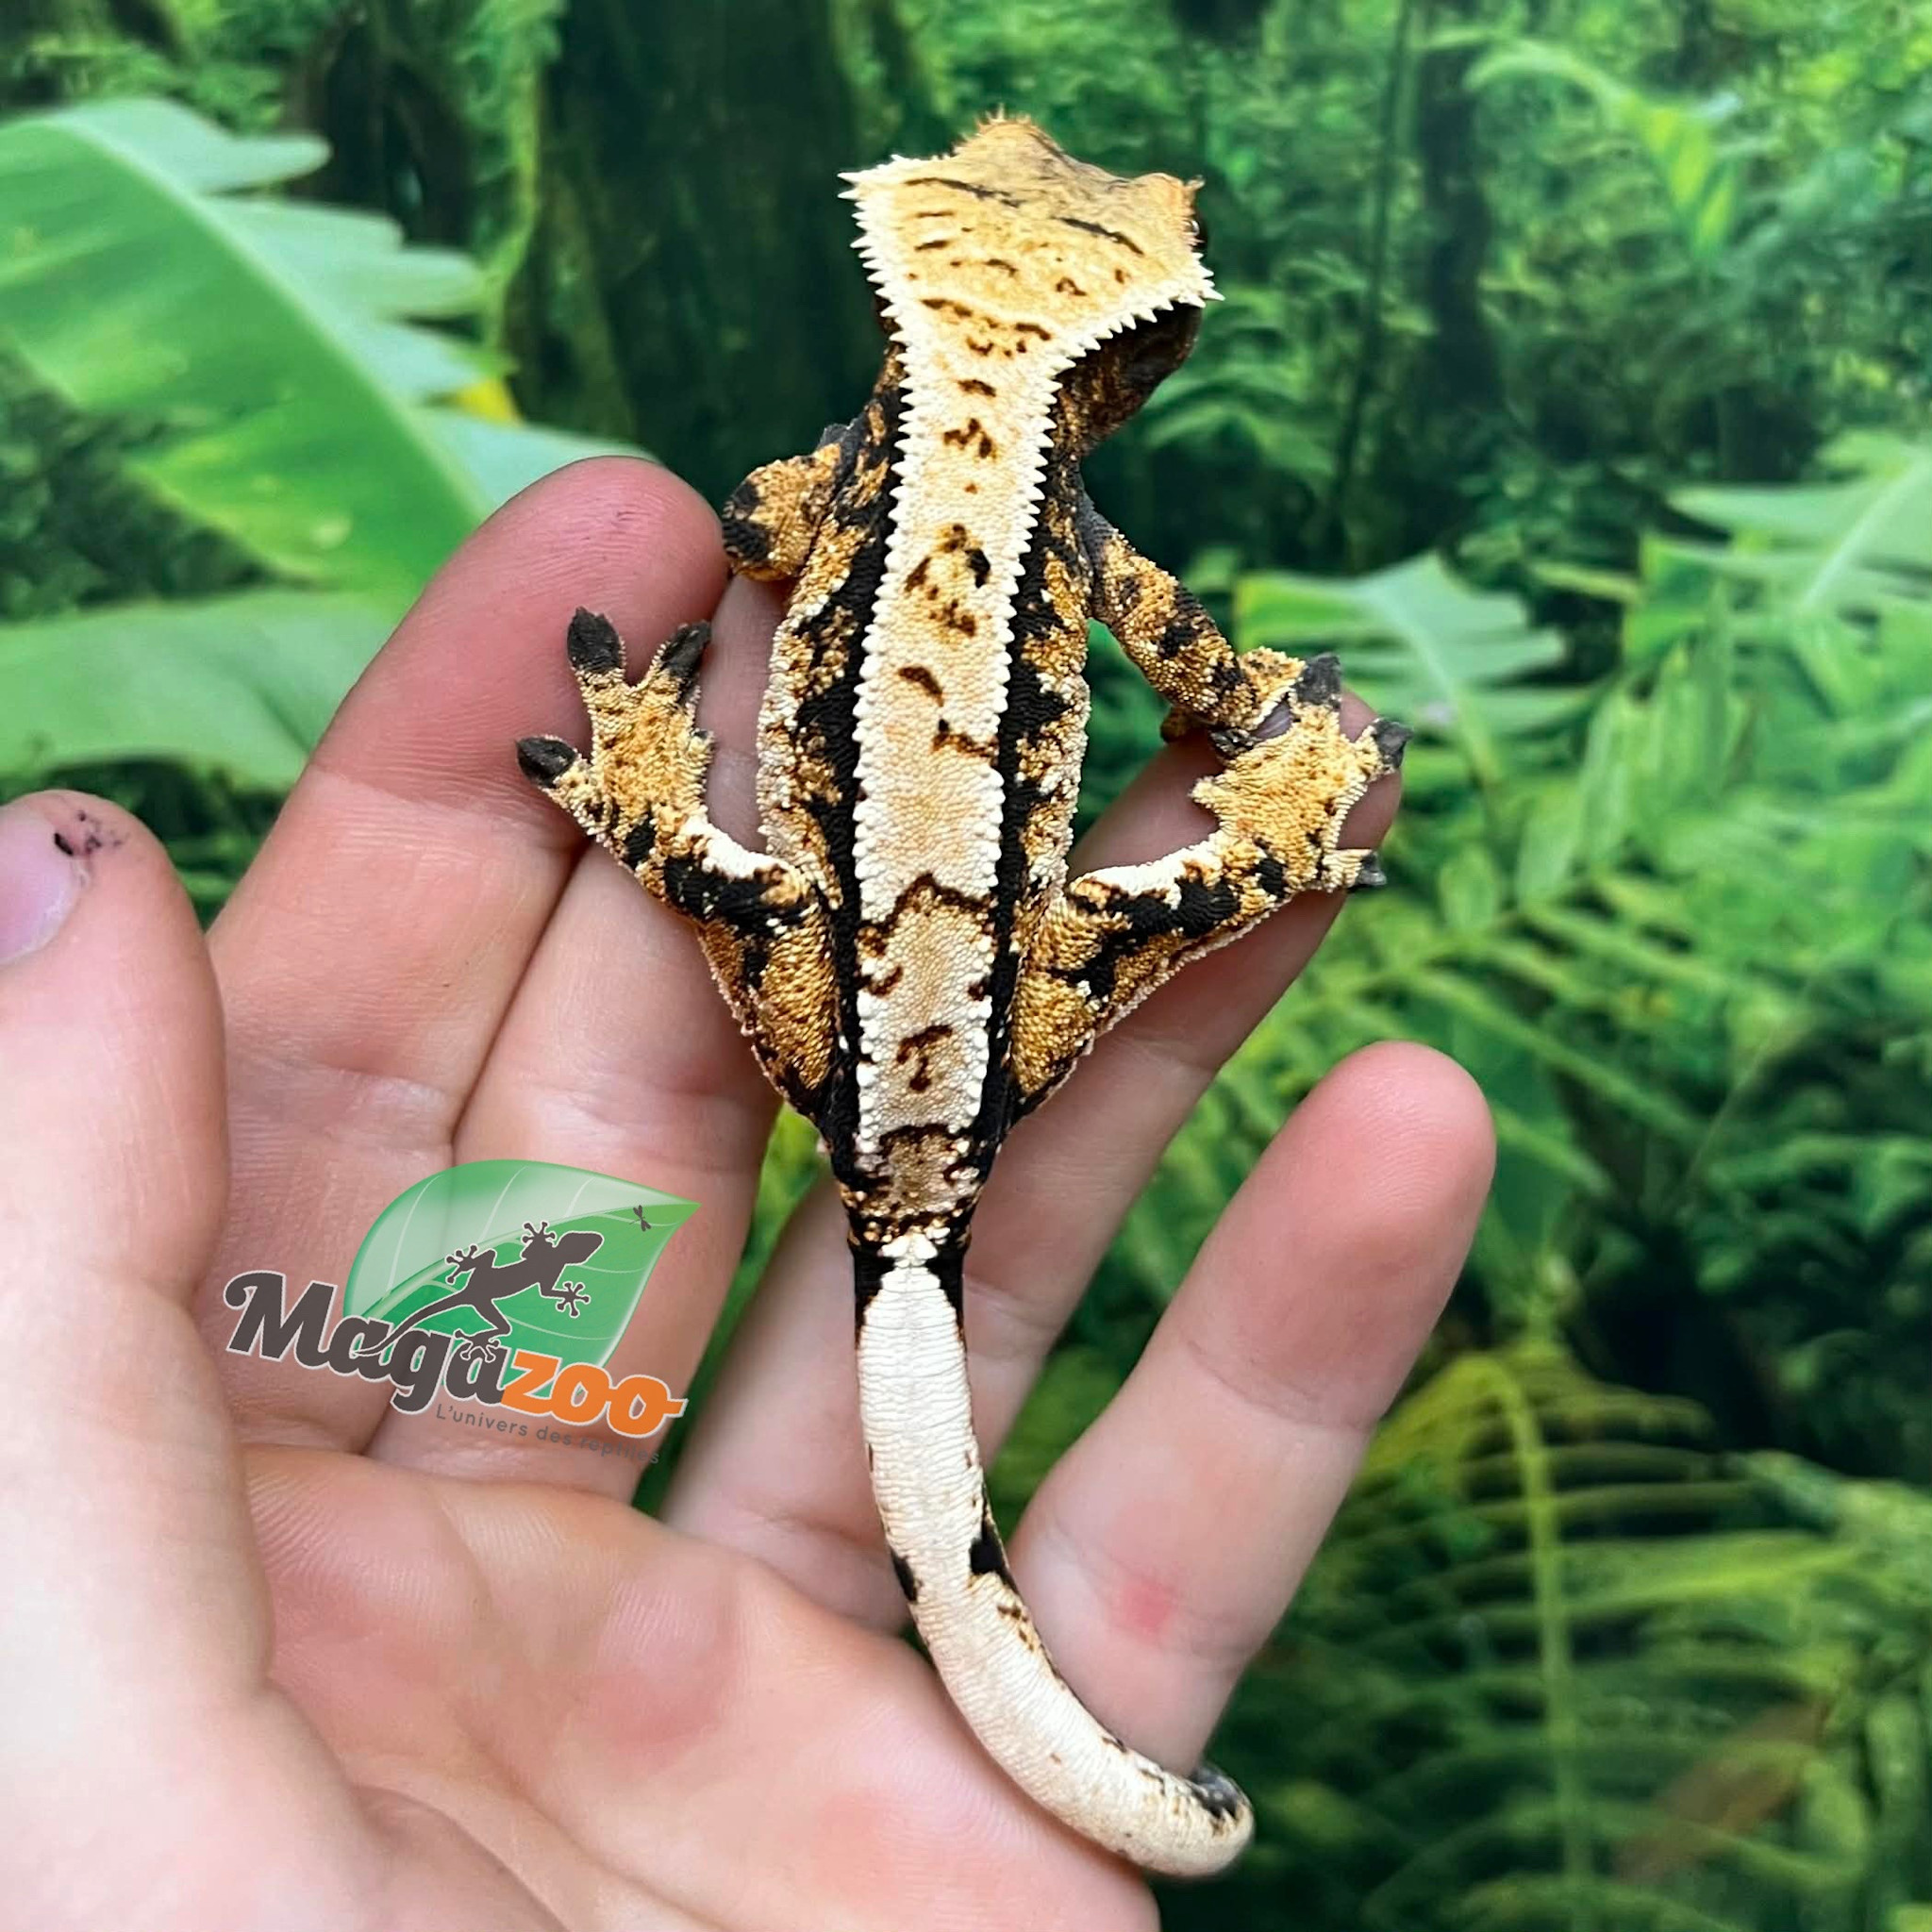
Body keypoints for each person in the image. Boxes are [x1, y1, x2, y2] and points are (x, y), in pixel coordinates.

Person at [0, 460, 1492, 1929]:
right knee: (1020, 926)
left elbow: (757, 529)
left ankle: (667, 815)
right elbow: (1196, 671)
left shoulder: (860, 483)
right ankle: (1273, 842)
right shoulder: (1070, 529)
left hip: (889, 1023)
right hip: (967, 1027)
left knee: (773, 910)